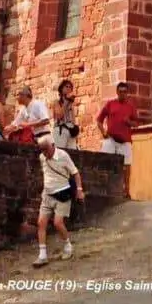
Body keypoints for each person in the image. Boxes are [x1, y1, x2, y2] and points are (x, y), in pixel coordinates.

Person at [33, 137, 85, 267]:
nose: (45, 153)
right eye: (42, 150)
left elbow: (75, 173)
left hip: (62, 194)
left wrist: (79, 190)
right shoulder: (42, 157)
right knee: (41, 223)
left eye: (46, 149)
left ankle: (68, 246)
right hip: (47, 195)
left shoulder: (63, 156)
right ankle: (42, 255)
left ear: (52, 145)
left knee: (58, 223)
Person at [97, 83, 139, 198]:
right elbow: (99, 120)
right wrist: (103, 132)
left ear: (127, 93)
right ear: (117, 92)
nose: (122, 94)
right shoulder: (110, 104)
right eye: (120, 91)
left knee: (127, 165)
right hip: (111, 139)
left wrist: (129, 122)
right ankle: (103, 189)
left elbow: (136, 124)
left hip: (125, 141)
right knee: (105, 162)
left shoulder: (130, 107)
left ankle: (127, 190)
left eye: (125, 92)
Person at [52, 79, 79, 150]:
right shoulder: (56, 102)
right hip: (60, 130)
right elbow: (59, 116)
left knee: (72, 153)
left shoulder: (71, 104)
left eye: (70, 87)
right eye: (66, 86)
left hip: (70, 131)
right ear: (61, 89)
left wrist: (75, 131)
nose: (68, 88)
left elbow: (73, 120)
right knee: (59, 151)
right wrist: (66, 101)